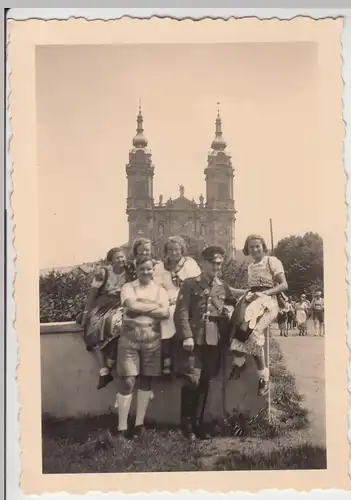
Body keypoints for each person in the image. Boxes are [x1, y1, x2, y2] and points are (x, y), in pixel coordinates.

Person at [174, 245, 246, 441]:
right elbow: (181, 312)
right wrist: (186, 335)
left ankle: (198, 424)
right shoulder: (190, 284)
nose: (216, 266)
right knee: (192, 380)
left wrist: (231, 309)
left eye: (219, 263)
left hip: (214, 340)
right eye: (213, 262)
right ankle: (186, 426)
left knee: (205, 381)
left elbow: (233, 300)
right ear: (203, 263)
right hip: (194, 339)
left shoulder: (222, 286)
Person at [115, 255, 170, 439]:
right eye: (142, 269)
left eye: (149, 269)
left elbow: (165, 313)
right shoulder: (128, 287)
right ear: (136, 270)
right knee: (128, 380)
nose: (146, 272)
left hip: (152, 338)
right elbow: (129, 306)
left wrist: (141, 306)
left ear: (153, 270)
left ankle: (139, 424)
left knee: (146, 380)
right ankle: (122, 427)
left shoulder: (160, 290)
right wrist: (153, 306)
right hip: (130, 336)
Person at [229, 234, 288, 396]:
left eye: (257, 246)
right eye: (251, 247)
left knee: (253, 332)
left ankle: (263, 377)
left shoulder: (272, 261)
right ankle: (239, 363)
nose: (254, 249)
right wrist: (234, 291)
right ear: (247, 249)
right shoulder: (251, 267)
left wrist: (266, 293)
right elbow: (252, 290)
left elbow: (284, 285)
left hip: (269, 302)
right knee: (236, 327)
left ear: (263, 246)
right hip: (254, 301)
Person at [81, 247, 133, 389]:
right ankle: (103, 371)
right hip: (103, 302)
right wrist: (86, 313)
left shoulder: (129, 270)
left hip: (120, 303)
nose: (121, 260)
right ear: (111, 260)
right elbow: (92, 293)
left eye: (122, 257)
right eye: (117, 258)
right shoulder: (103, 272)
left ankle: (110, 363)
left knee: (115, 325)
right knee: (92, 325)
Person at [153, 236, 201, 376]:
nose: (174, 253)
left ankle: (185, 360)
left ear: (182, 250)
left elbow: (195, 283)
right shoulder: (160, 266)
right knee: (166, 315)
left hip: (185, 296)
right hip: (165, 298)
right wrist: (165, 299)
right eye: (170, 250)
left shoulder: (189, 263)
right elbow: (157, 287)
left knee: (178, 313)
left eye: (177, 250)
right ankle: (166, 357)